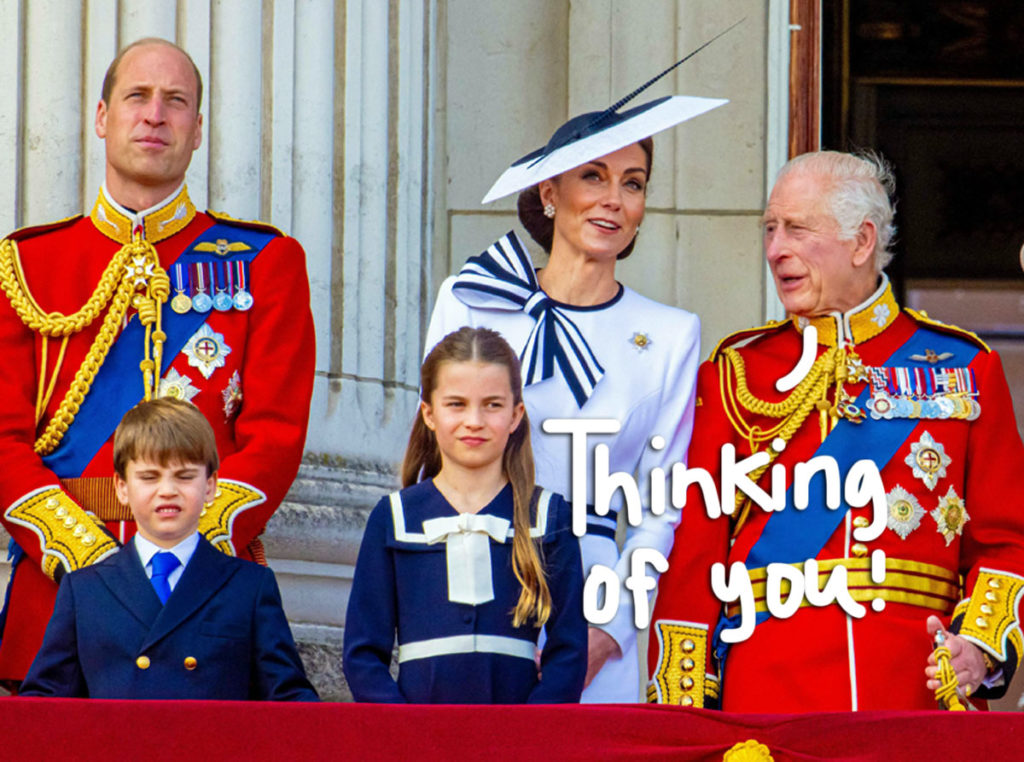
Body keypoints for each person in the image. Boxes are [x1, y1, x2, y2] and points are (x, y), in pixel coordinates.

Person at [648, 150, 1024, 712]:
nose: (776, 250)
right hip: (766, 694)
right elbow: (695, 559)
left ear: (862, 241)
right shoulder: (736, 372)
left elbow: (1006, 540)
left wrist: (978, 645)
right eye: (770, 229)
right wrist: (682, 714)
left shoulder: (964, 367)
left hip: (910, 693)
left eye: (797, 228)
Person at [0, 38, 315, 687]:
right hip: (58, 592)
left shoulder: (266, 263)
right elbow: (2, 440)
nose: (155, 115)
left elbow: (276, 436)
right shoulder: (26, 266)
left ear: (197, 130)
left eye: (176, 101)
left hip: (207, 599)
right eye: (136, 97)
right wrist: (84, 556)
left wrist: (185, 551)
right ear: (101, 117)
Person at [425, 94, 724, 701]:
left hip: (594, 591)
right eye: (593, 176)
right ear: (549, 192)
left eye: (632, 183)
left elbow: (661, 504)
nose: (614, 198)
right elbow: (433, 456)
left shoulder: (671, 333)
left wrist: (607, 631)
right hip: (469, 573)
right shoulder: (471, 299)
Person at [343, 327, 586, 703]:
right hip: (417, 742)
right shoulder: (393, 517)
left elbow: (568, 653)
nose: (474, 420)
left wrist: (533, 734)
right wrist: (404, 731)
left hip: (519, 744)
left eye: (492, 404)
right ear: (429, 413)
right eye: (456, 404)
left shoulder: (550, 518)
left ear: (515, 414)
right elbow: (363, 655)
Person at [19, 398, 318, 700]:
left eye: (185, 476)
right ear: (122, 488)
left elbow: (289, 702)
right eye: (149, 477)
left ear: (211, 485)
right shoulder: (83, 590)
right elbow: (45, 706)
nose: (167, 491)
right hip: (115, 747)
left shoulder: (249, 587)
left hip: (213, 747)